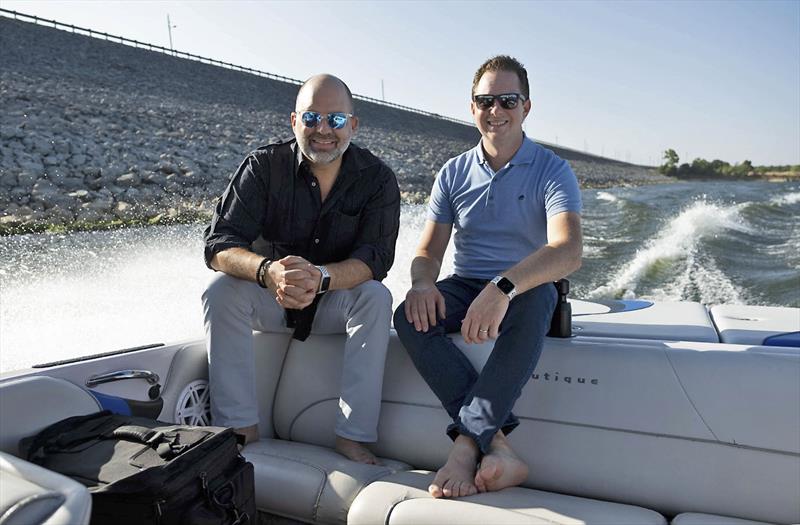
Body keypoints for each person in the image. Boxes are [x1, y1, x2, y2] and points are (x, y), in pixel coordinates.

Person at [393, 56, 583, 497]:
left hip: (527, 285)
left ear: (527, 106)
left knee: (536, 300)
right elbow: (428, 251)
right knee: (408, 316)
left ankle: (463, 447)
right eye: (485, 100)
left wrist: (503, 287)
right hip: (466, 283)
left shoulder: (553, 170)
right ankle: (496, 444)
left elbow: (567, 250)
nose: (495, 110)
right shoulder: (453, 172)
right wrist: (422, 282)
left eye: (507, 100)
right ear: (472, 106)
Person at [202, 74, 400, 465]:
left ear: (353, 125)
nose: (323, 130)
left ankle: (353, 436)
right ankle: (239, 430)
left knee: (376, 297)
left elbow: (377, 258)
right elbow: (218, 244)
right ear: (294, 121)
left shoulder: (377, 179)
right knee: (220, 291)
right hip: (269, 298)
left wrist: (321, 277)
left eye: (336, 120)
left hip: (331, 302)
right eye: (311, 118)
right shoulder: (262, 167)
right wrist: (268, 271)